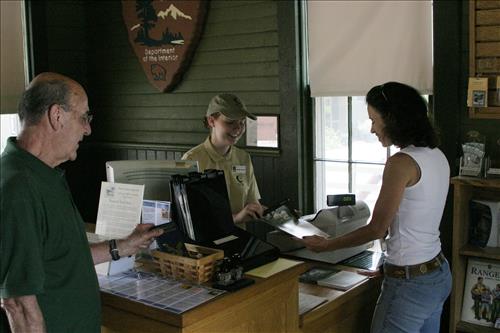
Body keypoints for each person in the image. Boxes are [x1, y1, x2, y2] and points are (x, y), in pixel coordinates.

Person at [0, 72, 163, 332]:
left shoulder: (45, 174)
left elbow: (60, 259)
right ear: (56, 116)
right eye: (83, 117)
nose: (87, 129)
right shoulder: (18, 187)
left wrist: (122, 246)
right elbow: (18, 303)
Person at [301, 82, 452, 333]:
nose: (372, 128)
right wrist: (387, 264)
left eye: (374, 120)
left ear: (393, 119)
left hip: (409, 284)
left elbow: (376, 229)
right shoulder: (436, 155)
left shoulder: (401, 163)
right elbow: (416, 224)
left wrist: (327, 245)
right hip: (437, 273)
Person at [182, 93, 264, 226]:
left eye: (242, 122)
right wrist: (235, 218)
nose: (238, 128)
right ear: (211, 121)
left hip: (240, 241)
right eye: (230, 122)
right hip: (206, 244)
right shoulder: (191, 160)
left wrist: (271, 213)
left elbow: (252, 201)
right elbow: (190, 217)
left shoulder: (243, 158)